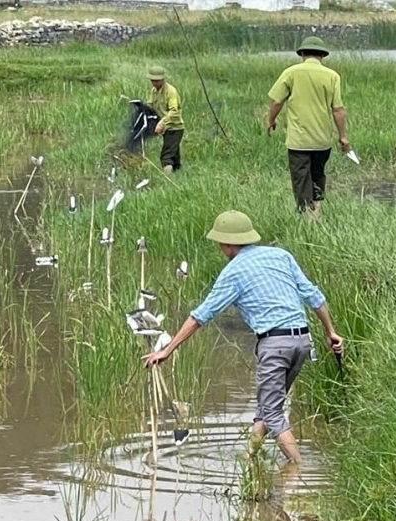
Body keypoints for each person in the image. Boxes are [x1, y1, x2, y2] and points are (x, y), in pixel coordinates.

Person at [141, 210, 344, 464]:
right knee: (267, 407)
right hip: (302, 341)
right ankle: (249, 460)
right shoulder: (281, 256)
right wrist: (330, 332)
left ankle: (298, 471)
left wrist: (167, 350)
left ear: (227, 245)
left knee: (271, 412)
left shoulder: (233, 272)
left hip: (274, 346)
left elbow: (200, 316)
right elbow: (314, 297)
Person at [266, 36, 351, 219]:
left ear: (302, 54)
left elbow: (276, 101)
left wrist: (271, 120)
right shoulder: (332, 76)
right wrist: (342, 136)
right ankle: (316, 212)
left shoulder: (291, 72)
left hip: (299, 140)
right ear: (322, 55)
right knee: (318, 174)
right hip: (322, 140)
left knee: (301, 178)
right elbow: (338, 110)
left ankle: (306, 217)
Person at [147, 65, 185, 174]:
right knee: (174, 156)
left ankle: (167, 179)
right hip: (165, 129)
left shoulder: (171, 91)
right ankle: (178, 174)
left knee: (166, 156)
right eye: (153, 80)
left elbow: (174, 111)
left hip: (174, 128)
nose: (155, 83)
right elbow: (150, 105)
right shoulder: (154, 91)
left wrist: (161, 123)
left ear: (163, 79)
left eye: (157, 80)